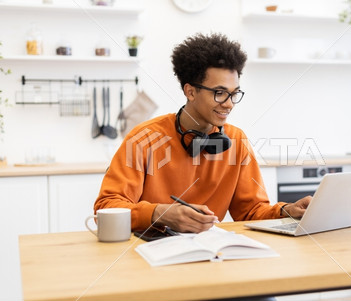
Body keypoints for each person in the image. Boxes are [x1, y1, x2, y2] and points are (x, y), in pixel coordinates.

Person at [94, 33, 311, 233]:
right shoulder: (143, 138)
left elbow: (251, 212)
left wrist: (286, 211)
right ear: (190, 91)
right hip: (145, 253)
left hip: (209, 252)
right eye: (219, 93)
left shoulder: (236, 140)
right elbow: (106, 209)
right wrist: (161, 213)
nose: (229, 104)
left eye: (234, 94)